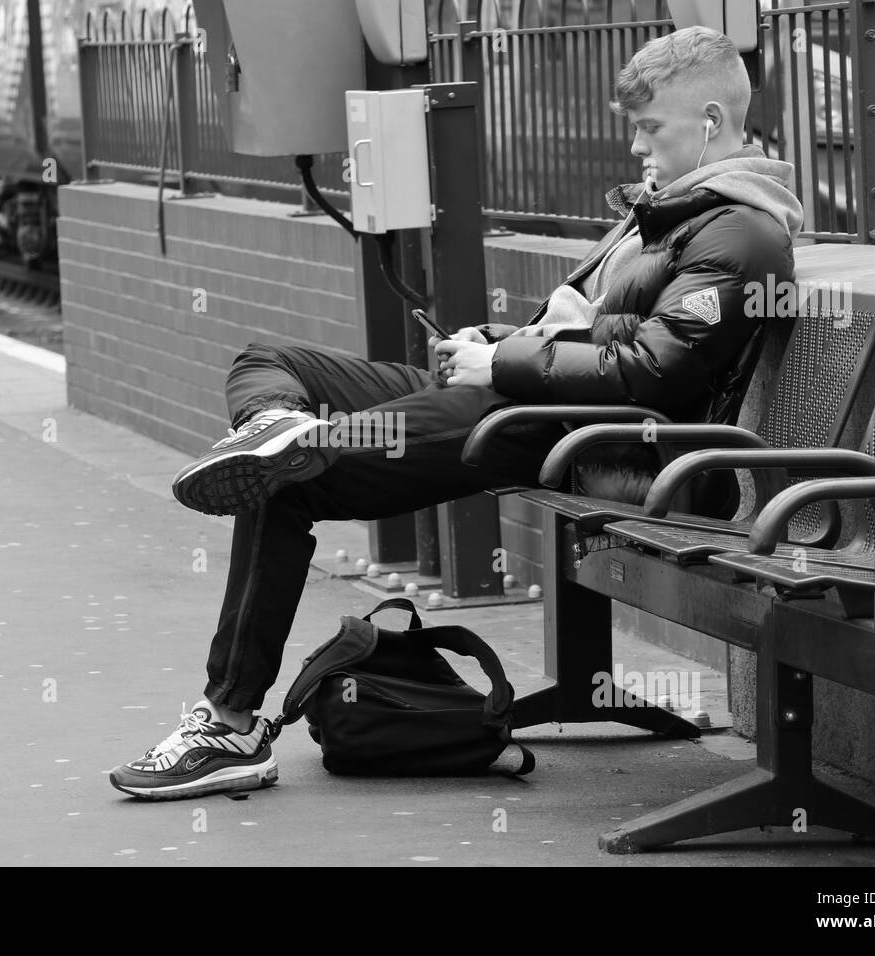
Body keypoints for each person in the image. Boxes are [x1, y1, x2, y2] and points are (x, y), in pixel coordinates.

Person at [109, 26, 803, 800]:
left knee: (285, 484)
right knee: (269, 362)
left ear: (711, 122)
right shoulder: (672, 212)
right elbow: (604, 336)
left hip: (594, 443)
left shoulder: (740, 230)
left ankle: (229, 723)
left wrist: (504, 361)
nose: (637, 147)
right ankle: (281, 429)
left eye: (651, 129)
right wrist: (503, 342)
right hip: (531, 401)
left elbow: (651, 371)